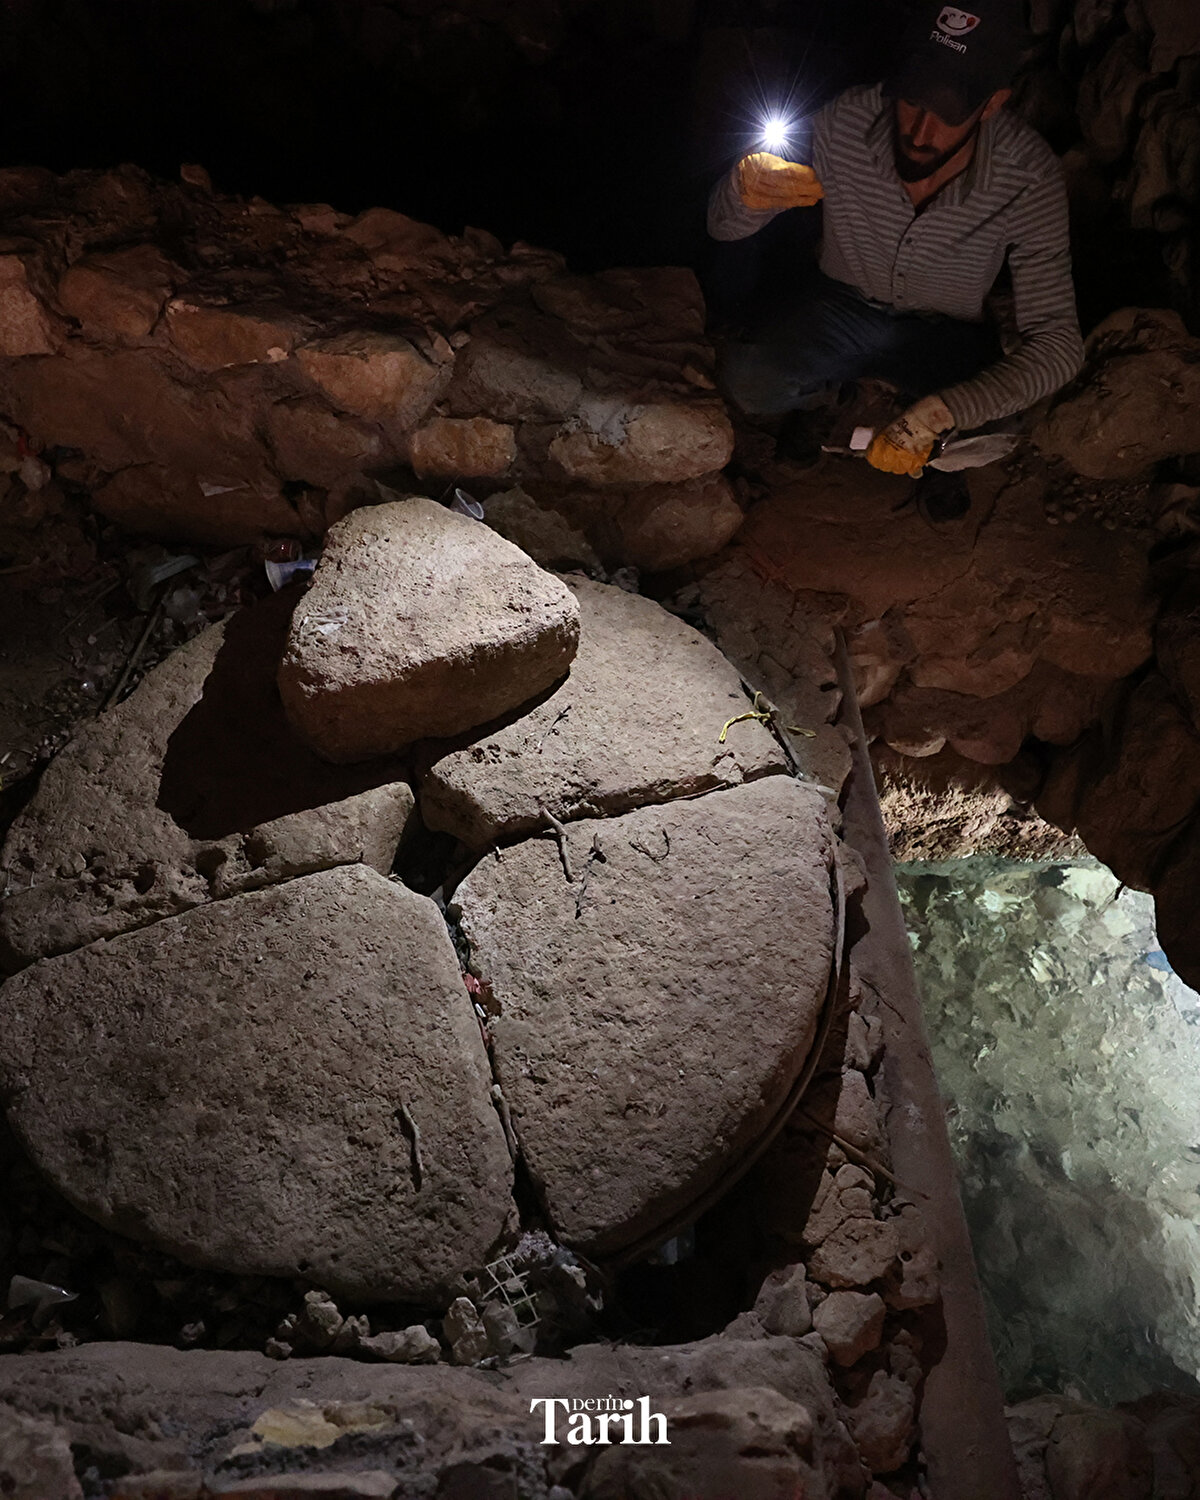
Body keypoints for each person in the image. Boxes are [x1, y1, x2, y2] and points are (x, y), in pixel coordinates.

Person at [707, 0, 1084, 507]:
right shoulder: (843, 121)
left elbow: (1058, 344)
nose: (919, 131)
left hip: (946, 332)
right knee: (747, 376)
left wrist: (942, 412)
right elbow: (724, 229)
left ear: (992, 104)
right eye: (913, 99)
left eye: (949, 111)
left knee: (999, 418)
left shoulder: (1028, 175)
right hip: (842, 305)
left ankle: (934, 446)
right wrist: (740, 190)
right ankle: (839, 399)